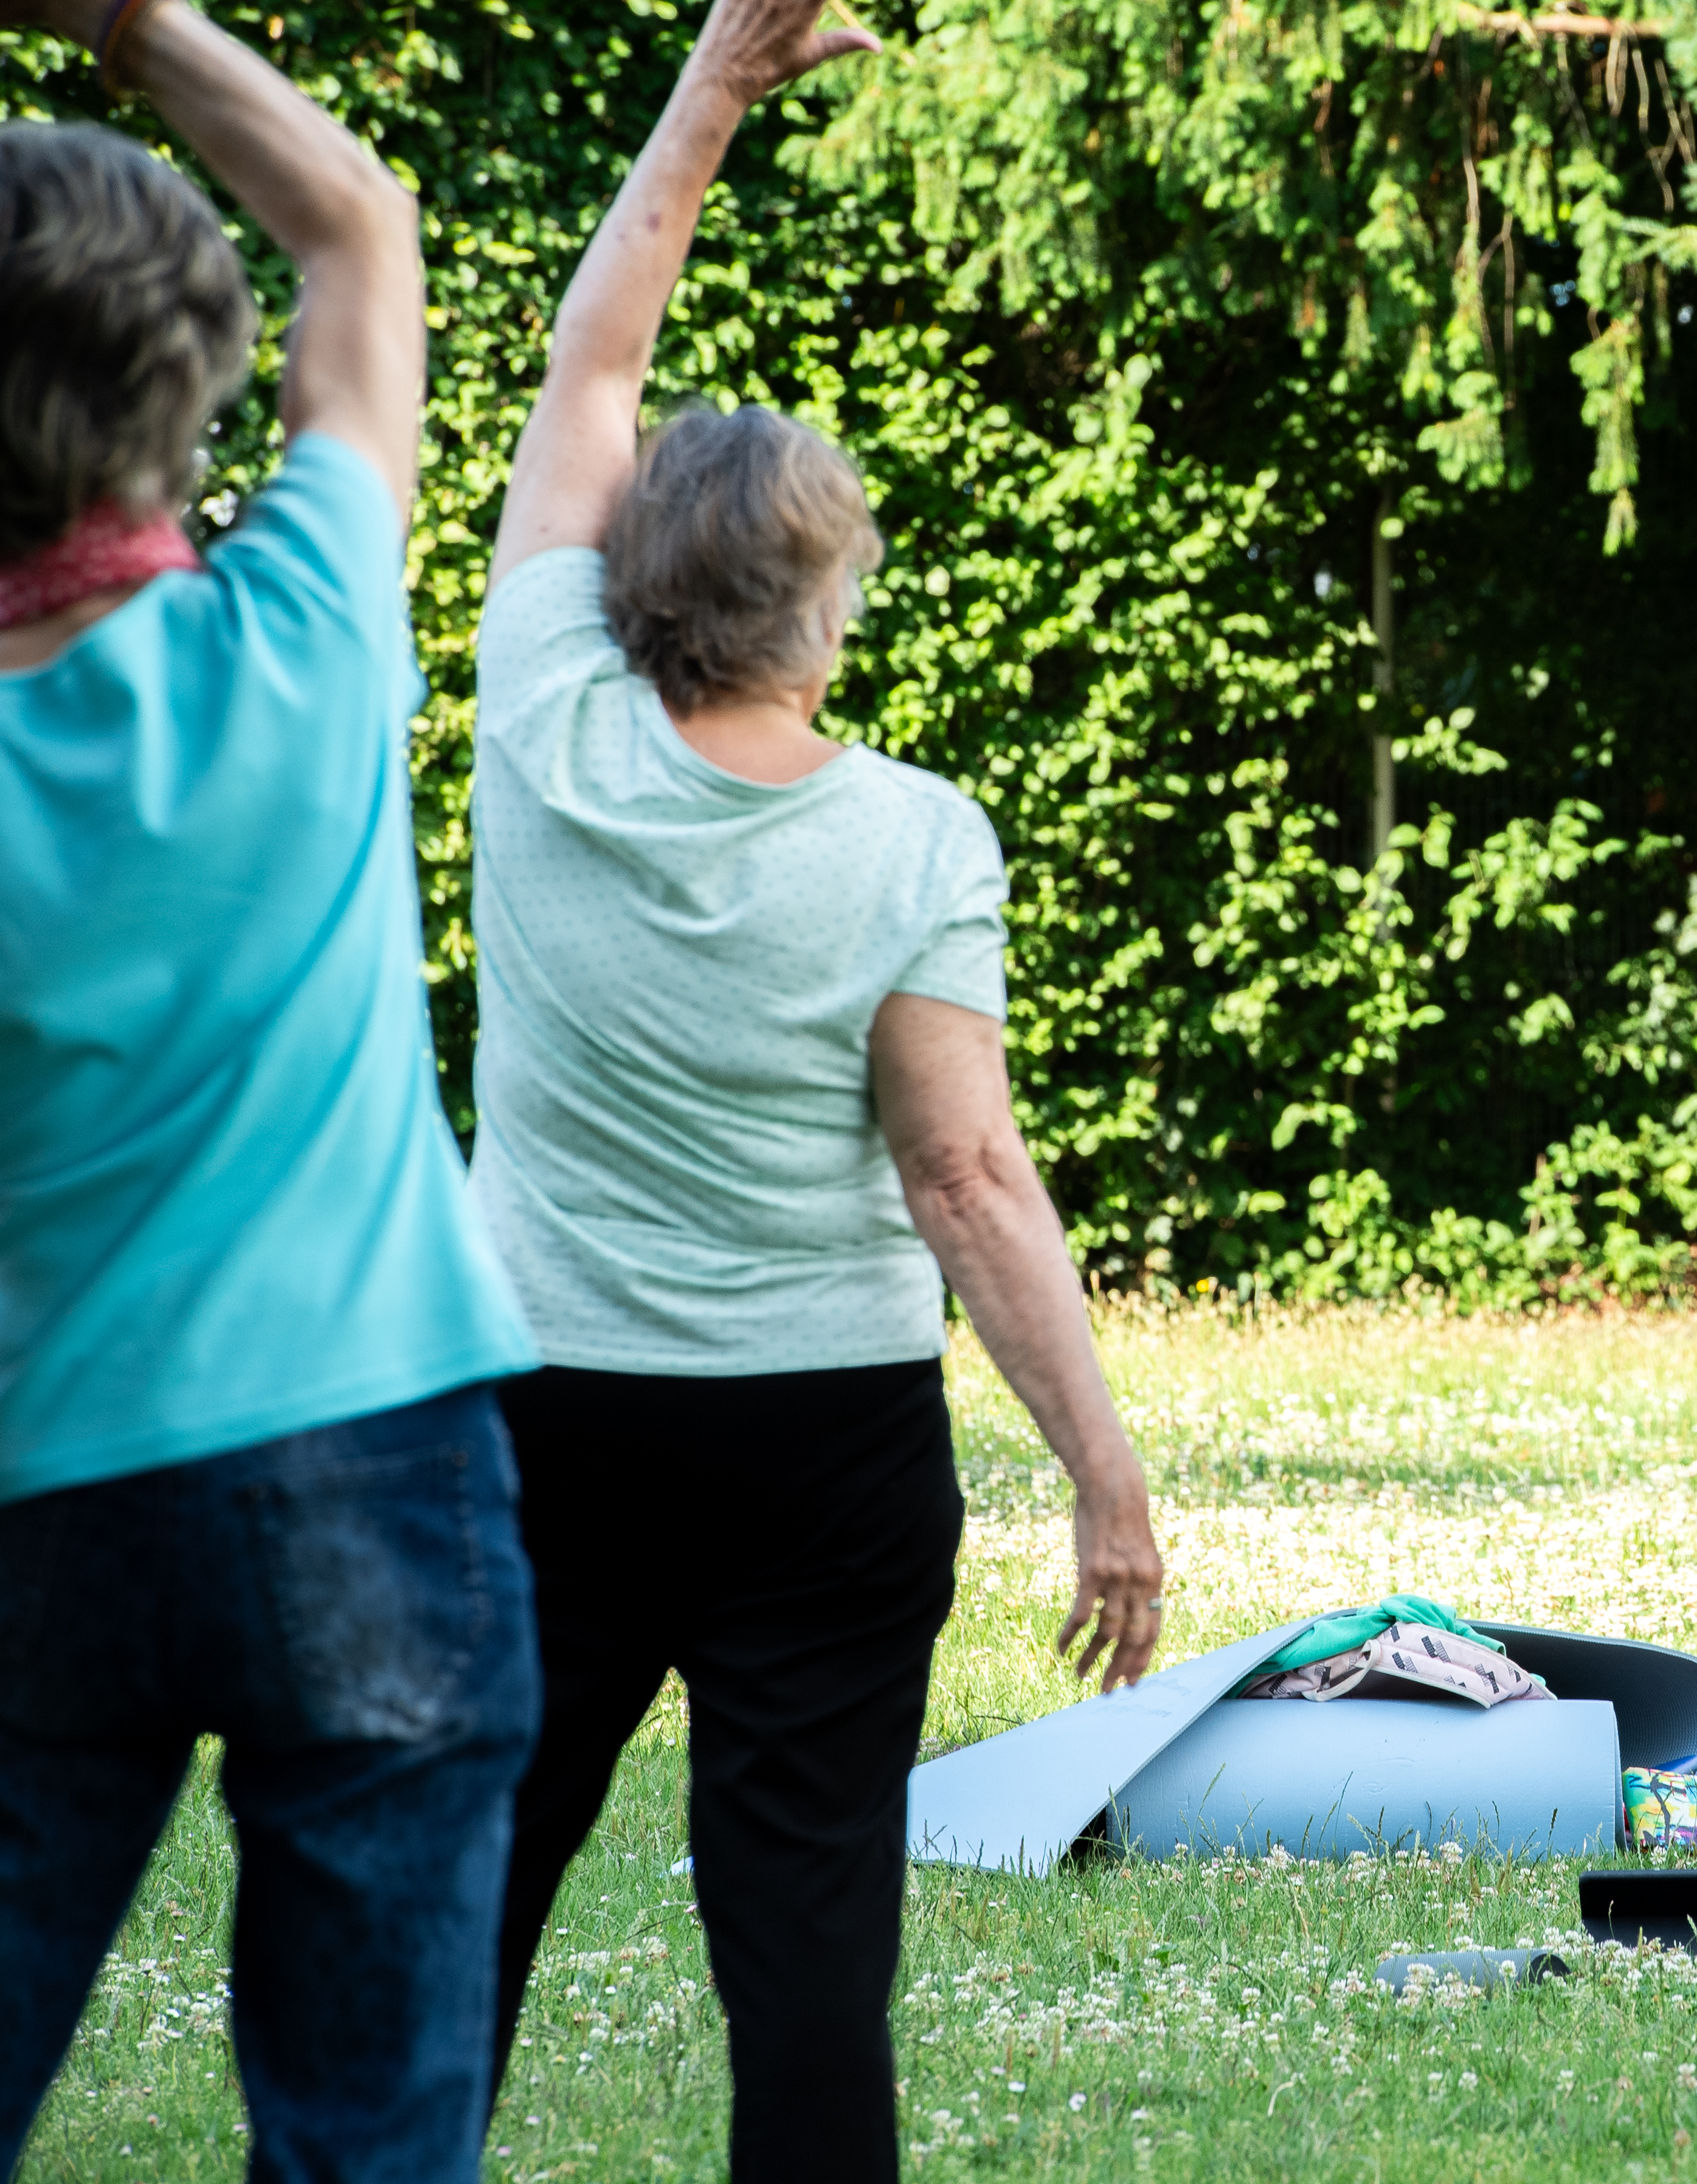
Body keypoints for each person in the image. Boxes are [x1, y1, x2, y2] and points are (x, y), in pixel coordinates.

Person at [462, 0, 1167, 2172]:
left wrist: (707, 89)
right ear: (826, 592)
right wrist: (1106, 1478)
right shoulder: (914, 837)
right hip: (817, 1451)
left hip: (534, 1416)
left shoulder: (543, 715)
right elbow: (964, 1175)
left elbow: (592, 368)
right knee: (799, 1952)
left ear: (627, 584)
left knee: (456, 1910)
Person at [0, 3, 547, 2174]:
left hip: (47, 1501)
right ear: (189, 379)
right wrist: (130, 19)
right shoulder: (304, 632)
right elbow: (359, 225)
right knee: (368, 2148)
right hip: (379, 1480)